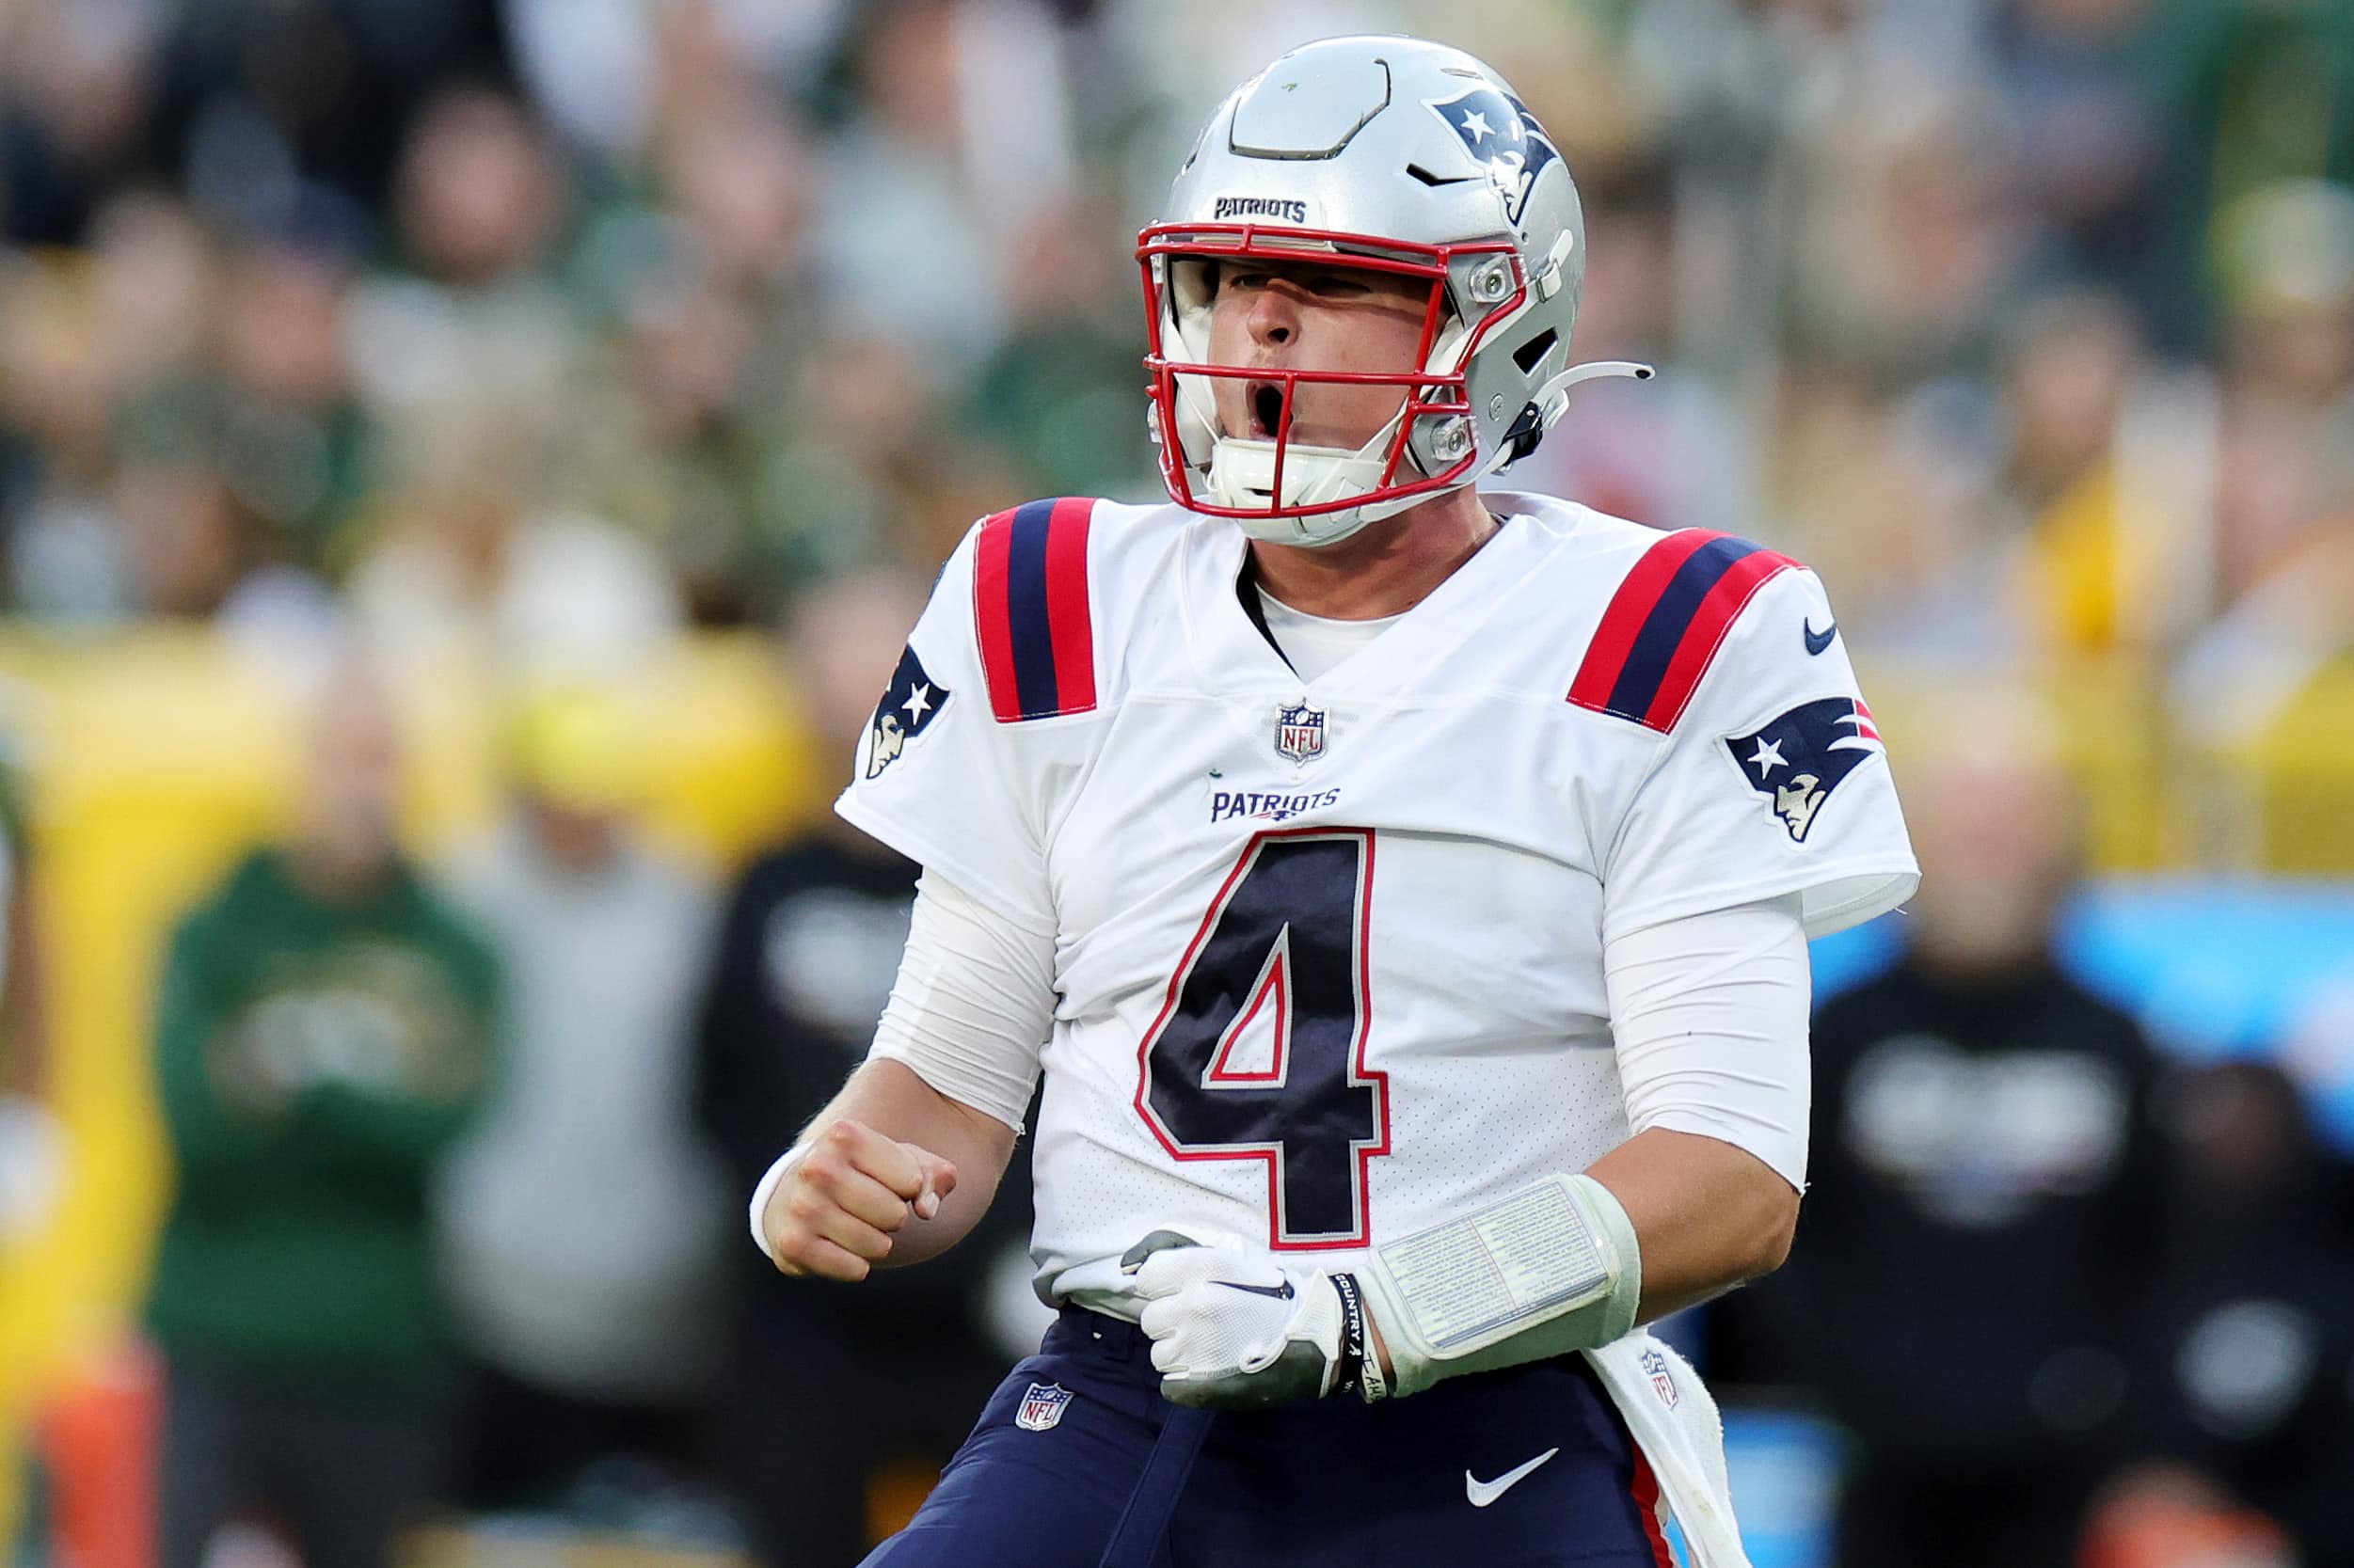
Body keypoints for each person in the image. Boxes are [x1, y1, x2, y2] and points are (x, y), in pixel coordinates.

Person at [752, 36, 1918, 1568]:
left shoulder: (1680, 633)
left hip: (1485, 1422)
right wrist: (846, 1166)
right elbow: (947, 1099)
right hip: (1119, 1400)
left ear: (1495, 320)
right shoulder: (1047, 596)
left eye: (1331, 280)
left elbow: (1732, 1179)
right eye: (1232, 276)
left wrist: (1376, 1318)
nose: (1261, 323)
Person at [1707, 696, 2167, 1568]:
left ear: (2061, 843)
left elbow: (2163, 1254)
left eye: (2012, 818)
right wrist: (1855, 1379)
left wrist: (2093, 1394)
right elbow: (1773, 1241)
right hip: (1876, 1475)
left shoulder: (2121, 1044)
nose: (1987, 846)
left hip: (2070, 1483)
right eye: (1964, 818)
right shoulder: (1836, 1037)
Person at [695, 570, 1046, 1564]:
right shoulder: (767, 879)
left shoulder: (999, 877)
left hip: (985, 1307)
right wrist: (778, 1209)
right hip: (807, 1317)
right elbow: (717, 1087)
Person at [146, 661, 498, 1568]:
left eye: (382, 760)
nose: (362, 786)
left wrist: (288, 1079)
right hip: (223, 1337)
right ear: (300, 765)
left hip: (378, 1343)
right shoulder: (220, 920)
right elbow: (199, 1124)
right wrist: (371, 1098)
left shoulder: (452, 940)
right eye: (344, 758)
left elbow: (445, 1126)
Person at [433, 681, 730, 1510]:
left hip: (659, 1310)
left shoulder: (687, 901)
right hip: (488, 1303)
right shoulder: (467, 895)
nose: (585, 819)